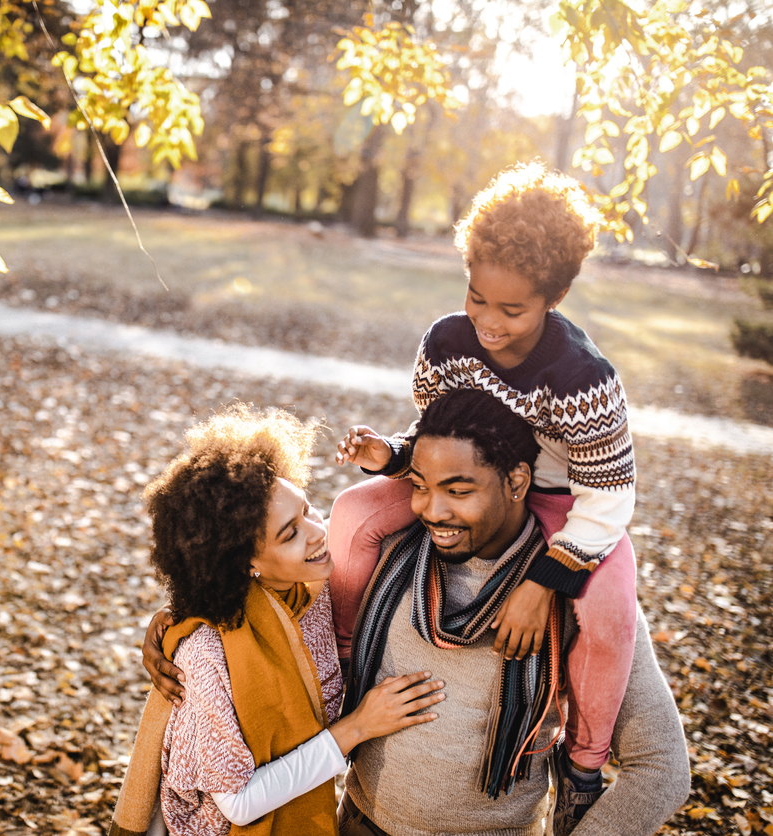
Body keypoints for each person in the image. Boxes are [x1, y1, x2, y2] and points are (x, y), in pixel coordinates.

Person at [145, 390, 690, 836]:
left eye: (459, 490)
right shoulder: (372, 561)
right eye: (422, 488)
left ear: (518, 482)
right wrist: (175, 625)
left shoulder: (579, 598)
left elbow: (661, 768)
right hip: (356, 825)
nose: (433, 510)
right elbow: (248, 596)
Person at [334, 162, 639, 833]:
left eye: (512, 309)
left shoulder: (581, 377)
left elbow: (610, 495)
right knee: (353, 515)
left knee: (612, 610)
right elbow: (439, 437)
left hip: (566, 502)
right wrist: (392, 455)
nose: (489, 324)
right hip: (469, 482)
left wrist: (545, 580)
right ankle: (342, 662)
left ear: (554, 295)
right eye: (477, 299)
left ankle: (583, 764)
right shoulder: (446, 343)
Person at [110, 404, 446, 836]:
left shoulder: (314, 594)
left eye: (307, 509)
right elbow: (239, 802)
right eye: (289, 533)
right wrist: (359, 726)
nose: (317, 531)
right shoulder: (206, 653)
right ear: (246, 562)